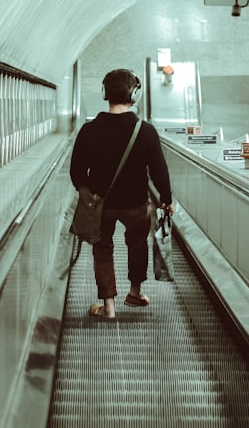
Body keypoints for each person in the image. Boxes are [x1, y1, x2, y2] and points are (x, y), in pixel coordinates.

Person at [70, 69, 174, 320]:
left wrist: (88, 195)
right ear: (134, 94)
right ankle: (135, 293)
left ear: (106, 93)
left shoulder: (89, 130)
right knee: (137, 245)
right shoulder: (145, 131)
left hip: (101, 205)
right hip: (136, 204)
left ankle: (108, 307)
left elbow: (76, 172)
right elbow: (160, 171)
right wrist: (166, 200)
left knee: (102, 250)